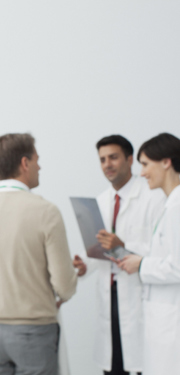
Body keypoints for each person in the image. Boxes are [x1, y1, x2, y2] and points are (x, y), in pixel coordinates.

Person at [0, 133, 77, 375]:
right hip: (33, 332)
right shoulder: (46, 212)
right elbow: (65, 286)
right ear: (25, 163)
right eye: (37, 159)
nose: (40, 166)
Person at [72, 135, 164, 375]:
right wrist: (83, 265)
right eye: (102, 159)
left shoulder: (153, 196)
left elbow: (162, 250)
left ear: (130, 159)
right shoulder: (102, 201)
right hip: (110, 294)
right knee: (113, 366)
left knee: (141, 364)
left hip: (139, 294)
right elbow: (100, 248)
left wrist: (124, 244)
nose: (107, 164)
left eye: (113, 157)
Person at [117, 133, 180, 375]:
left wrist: (141, 265)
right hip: (161, 317)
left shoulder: (177, 208)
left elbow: (177, 266)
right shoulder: (169, 205)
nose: (141, 173)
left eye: (145, 164)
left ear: (166, 162)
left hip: (171, 320)